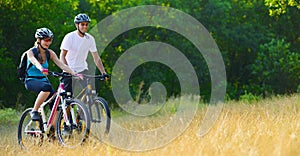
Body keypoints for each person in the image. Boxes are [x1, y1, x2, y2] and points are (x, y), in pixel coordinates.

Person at [24, 28, 79, 123]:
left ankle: (52, 132)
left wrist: (73, 73)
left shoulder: (50, 53)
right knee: (46, 88)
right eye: (46, 40)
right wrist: (41, 68)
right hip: (31, 80)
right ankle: (35, 111)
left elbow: (61, 64)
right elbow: (34, 61)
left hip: (43, 80)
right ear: (39, 40)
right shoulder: (31, 52)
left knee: (55, 105)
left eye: (50, 40)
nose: (48, 42)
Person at [60, 13, 108, 95]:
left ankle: (81, 107)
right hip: (69, 70)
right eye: (82, 24)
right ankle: (69, 105)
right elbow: (62, 56)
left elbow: (96, 58)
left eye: (86, 24)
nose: (85, 27)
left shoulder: (90, 39)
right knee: (68, 97)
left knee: (90, 92)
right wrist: (68, 70)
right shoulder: (70, 37)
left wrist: (103, 72)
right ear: (76, 25)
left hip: (82, 69)